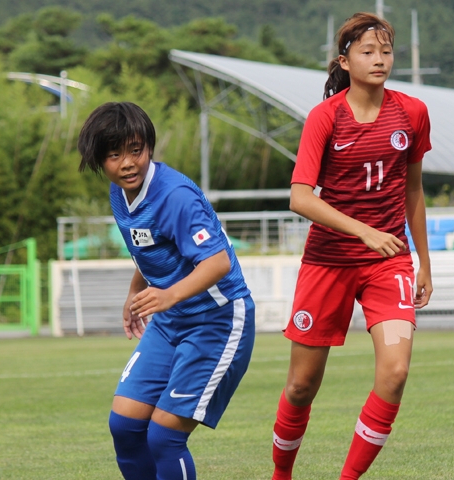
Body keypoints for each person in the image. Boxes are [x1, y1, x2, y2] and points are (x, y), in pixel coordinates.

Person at [271, 12, 433, 480]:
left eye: (386, 51)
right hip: (328, 262)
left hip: (389, 263)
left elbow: (414, 191)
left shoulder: (413, 113)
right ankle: (282, 474)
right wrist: (361, 230)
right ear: (345, 61)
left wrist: (423, 262)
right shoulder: (325, 118)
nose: (379, 59)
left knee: (396, 373)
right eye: (368, 51)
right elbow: (299, 197)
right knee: (301, 386)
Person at [77, 101, 255, 480]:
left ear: (149, 147)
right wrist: (134, 293)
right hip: (171, 320)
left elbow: (218, 262)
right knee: (124, 427)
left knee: (163, 437)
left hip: (218, 321)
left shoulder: (174, 195)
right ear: (98, 160)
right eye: (114, 155)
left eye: (135, 150)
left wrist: (167, 296)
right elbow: (148, 248)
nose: (127, 163)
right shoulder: (119, 194)